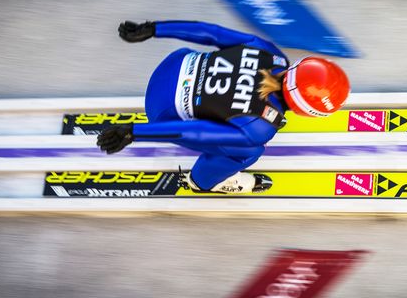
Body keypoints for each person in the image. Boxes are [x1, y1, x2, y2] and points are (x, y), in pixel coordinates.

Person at [97, 20, 350, 194]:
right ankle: (202, 182)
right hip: (161, 109)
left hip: (173, 64)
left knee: (238, 125)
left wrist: (154, 28)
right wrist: (134, 132)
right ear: (307, 110)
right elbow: (193, 132)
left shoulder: (271, 53)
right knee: (249, 151)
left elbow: (211, 32)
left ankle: (223, 116)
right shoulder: (260, 128)